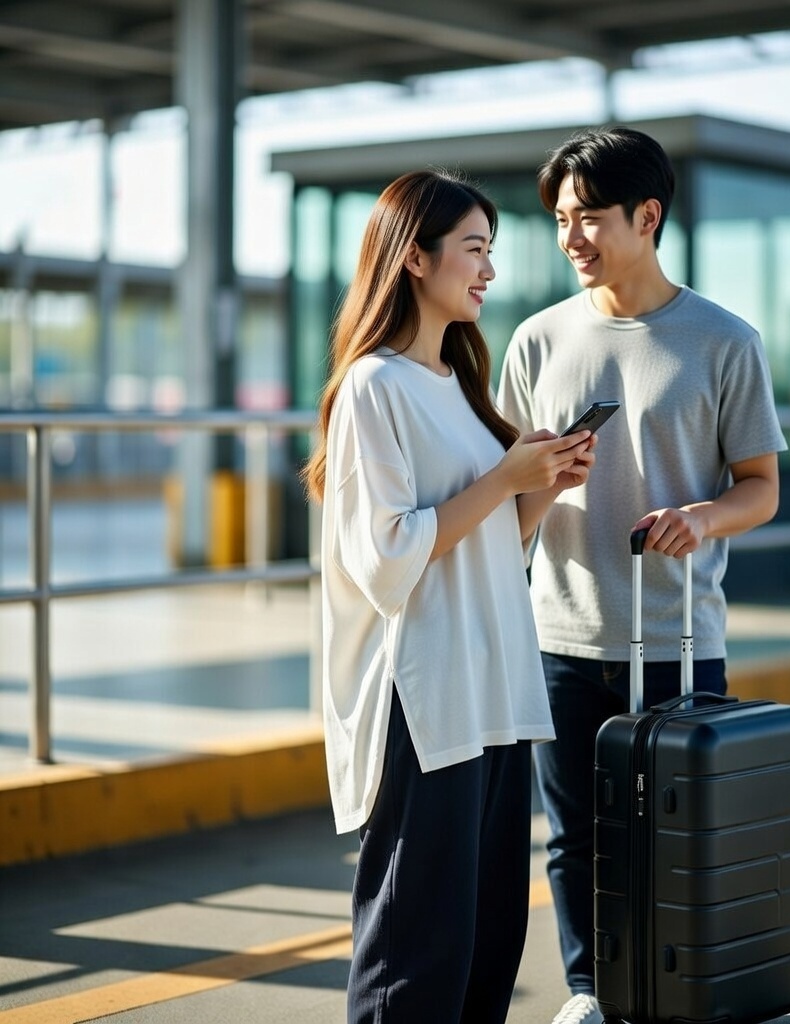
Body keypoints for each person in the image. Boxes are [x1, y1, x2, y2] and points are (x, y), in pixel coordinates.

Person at [497, 126, 787, 1024]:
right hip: (558, 636)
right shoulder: (538, 341)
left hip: (678, 639)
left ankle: (680, 992)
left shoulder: (724, 341)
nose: (569, 237)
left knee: (676, 832)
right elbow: (502, 498)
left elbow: (762, 489)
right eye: (558, 219)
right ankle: (588, 992)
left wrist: (704, 517)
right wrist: (542, 482)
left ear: (647, 216)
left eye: (587, 217)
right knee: (575, 835)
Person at [303, 169, 596, 1024]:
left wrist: (542, 485)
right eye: (474, 250)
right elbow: (389, 559)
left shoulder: (460, 387)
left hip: (493, 694)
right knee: (414, 957)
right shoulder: (372, 387)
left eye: (490, 253)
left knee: (484, 944)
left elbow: (490, 544)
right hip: (424, 703)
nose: (488, 271)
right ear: (414, 259)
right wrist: (505, 474)